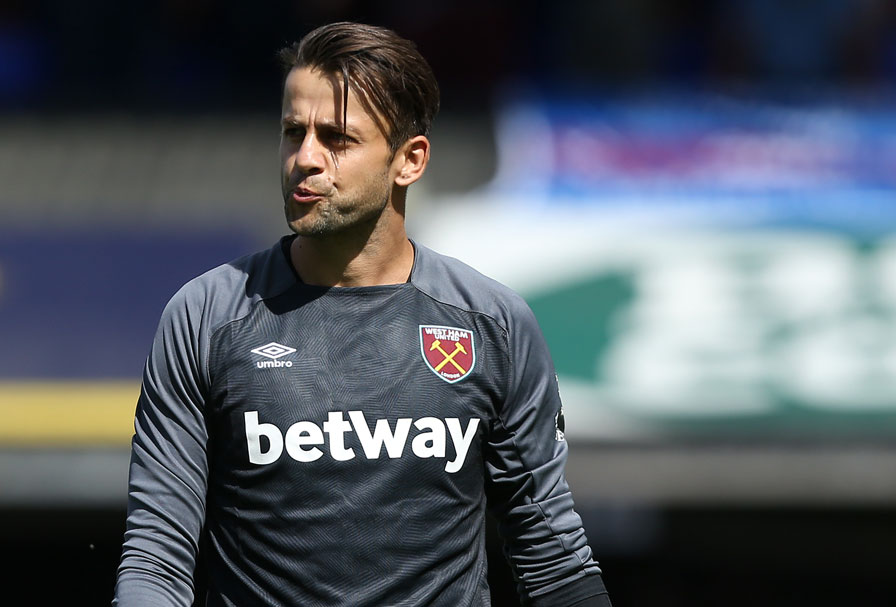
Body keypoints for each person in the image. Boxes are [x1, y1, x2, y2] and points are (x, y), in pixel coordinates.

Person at [113, 21, 611, 607]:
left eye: (337, 139)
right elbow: (156, 556)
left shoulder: (493, 324)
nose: (305, 159)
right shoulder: (205, 317)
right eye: (292, 132)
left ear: (410, 160)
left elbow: (551, 556)